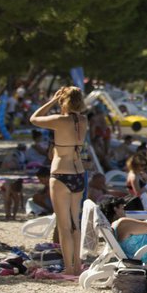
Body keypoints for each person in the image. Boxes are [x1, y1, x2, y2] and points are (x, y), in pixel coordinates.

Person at [29, 86, 88, 276]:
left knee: (64, 226)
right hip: (79, 173)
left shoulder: (59, 120)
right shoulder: (83, 120)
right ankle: (78, 265)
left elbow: (34, 118)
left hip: (61, 175)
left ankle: (69, 268)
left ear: (64, 101)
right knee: (75, 223)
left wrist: (53, 100)